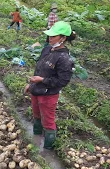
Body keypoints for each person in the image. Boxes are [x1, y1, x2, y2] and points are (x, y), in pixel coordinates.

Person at [24, 21, 76, 150]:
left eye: (53, 36)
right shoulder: (47, 49)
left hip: (48, 95)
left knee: (48, 122)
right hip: (36, 90)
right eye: (50, 36)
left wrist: (42, 80)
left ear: (63, 38)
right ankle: (36, 138)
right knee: (36, 114)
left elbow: (62, 81)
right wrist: (31, 84)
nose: (50, 38)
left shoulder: (64, 58)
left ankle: (47, 150)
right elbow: (39, 69)